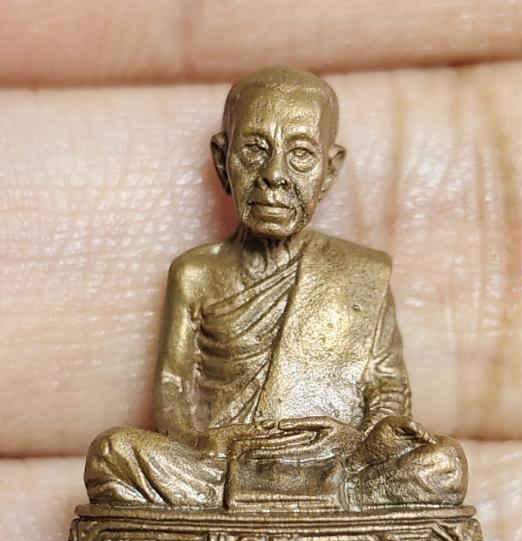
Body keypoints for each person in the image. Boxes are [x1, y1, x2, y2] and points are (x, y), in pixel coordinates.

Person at [84, 67, 466, 510]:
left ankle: (313, 495)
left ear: (329, 169)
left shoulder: (362, 272)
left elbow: (386, 386)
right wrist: (209, 444)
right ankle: (311, 503)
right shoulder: (195, 273)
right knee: (112, 454)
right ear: (222, 160)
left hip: (329, 456)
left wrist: (379, 436)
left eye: (301, 154)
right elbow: (173, 387)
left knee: (445, 464)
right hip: (224, 460)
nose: (275, 175)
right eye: (254, 150)